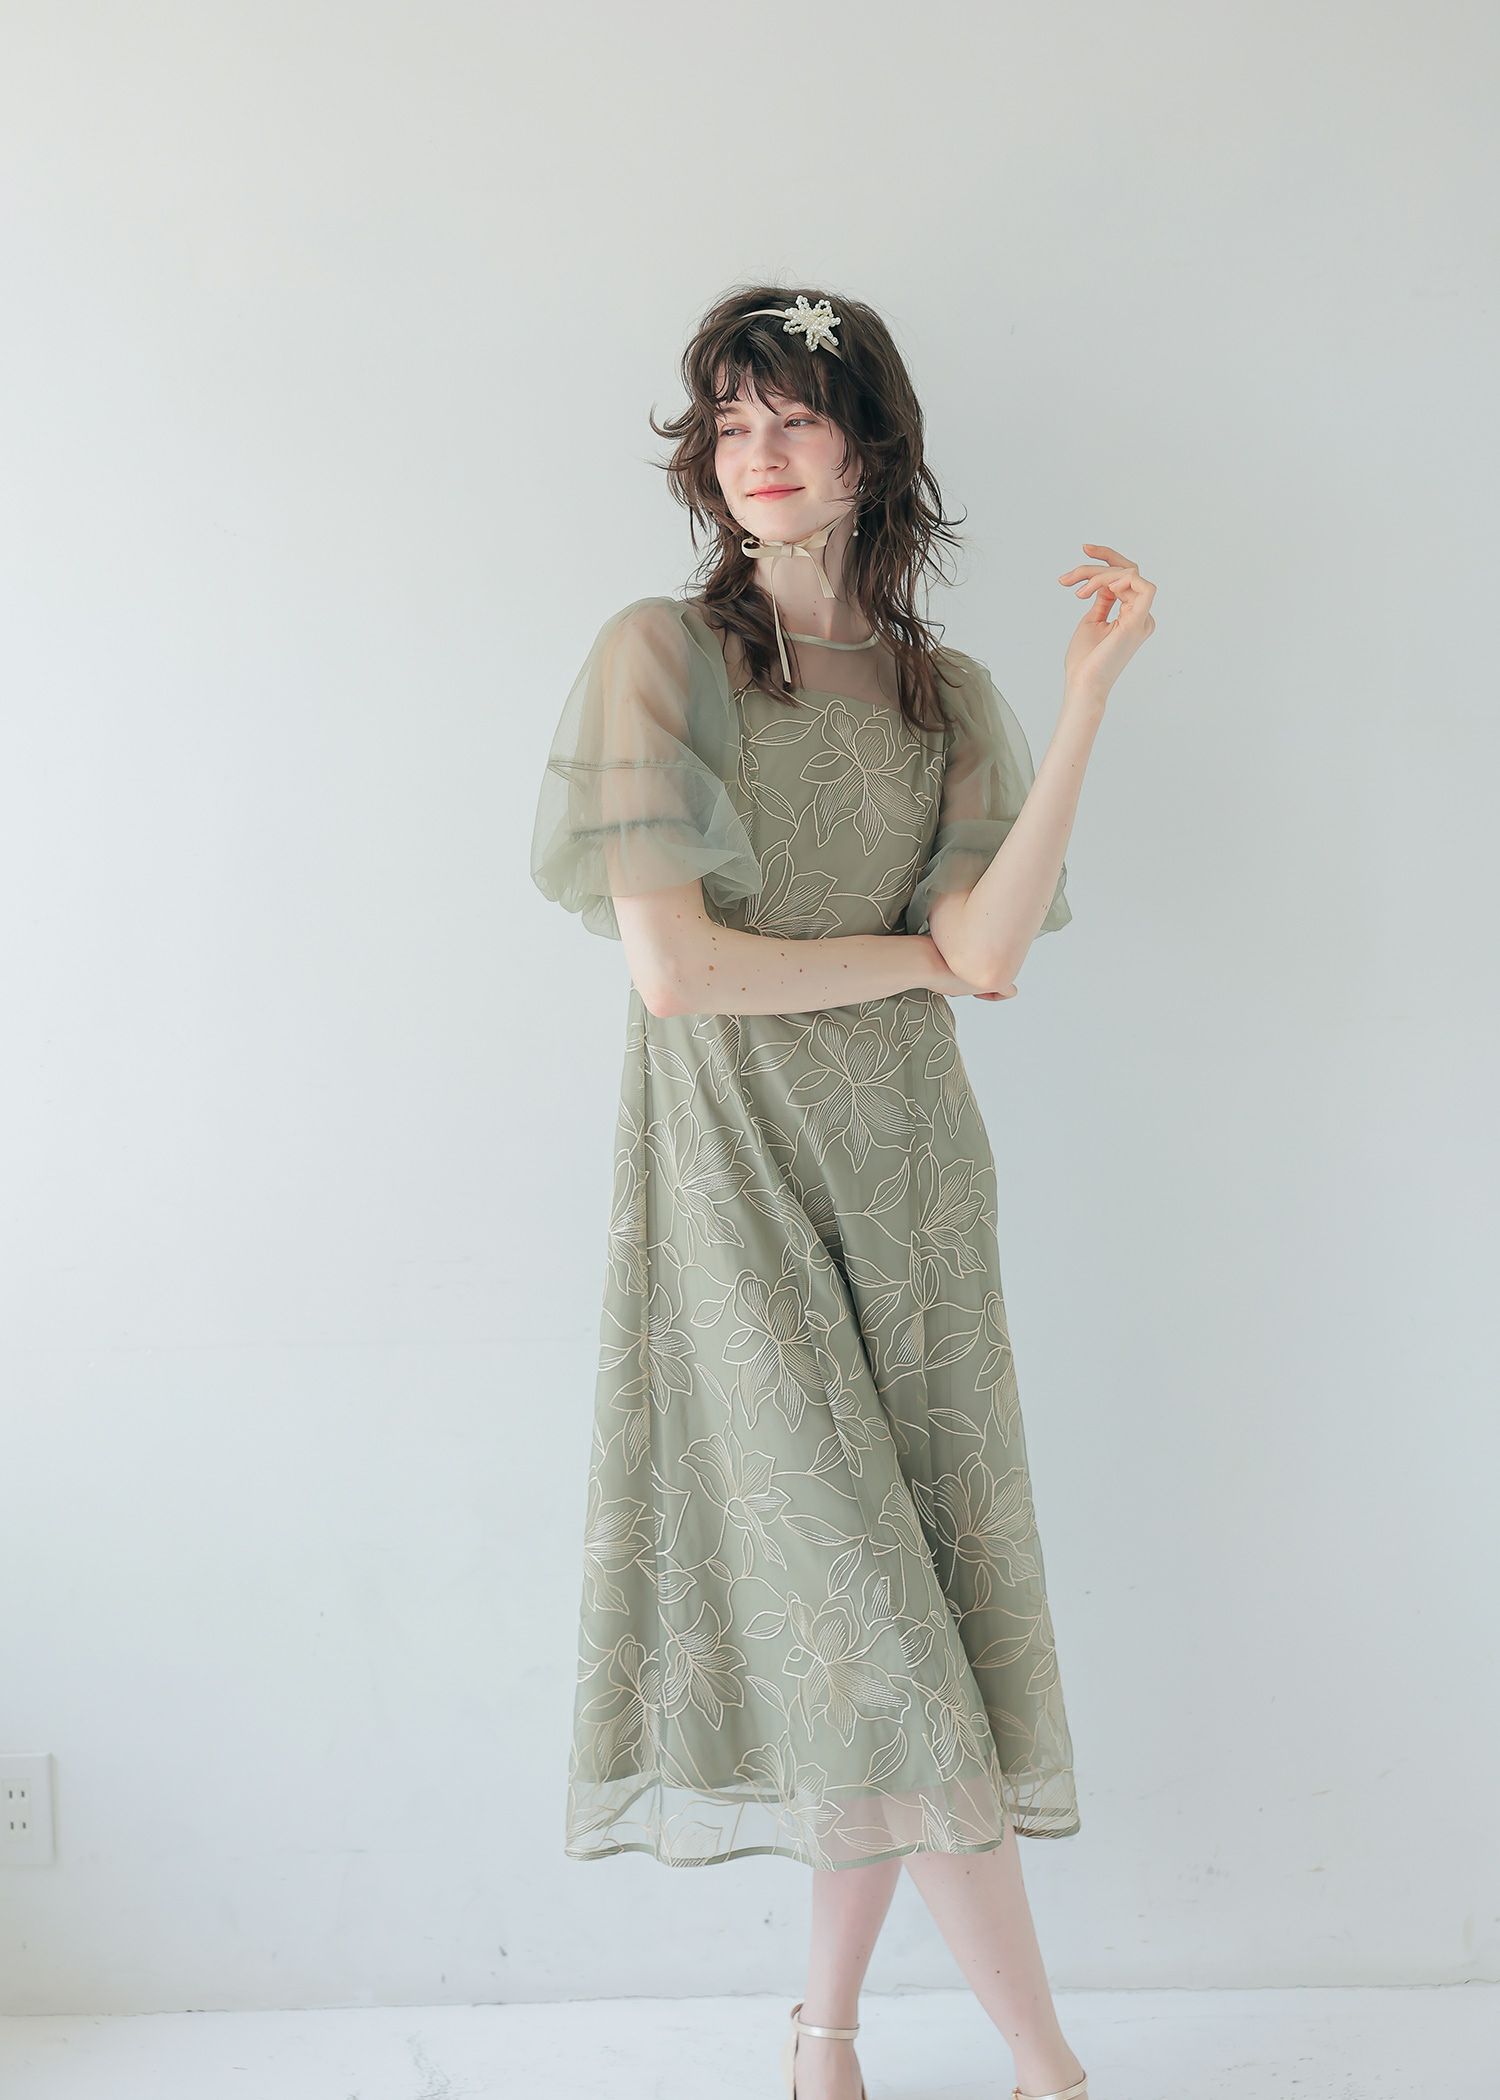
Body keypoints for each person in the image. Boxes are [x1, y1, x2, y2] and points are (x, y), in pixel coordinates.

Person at [529, 284, 1156, 2100]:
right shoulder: (660, 654)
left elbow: (993, 949)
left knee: (905, 1633)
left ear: (871, 451)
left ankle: (823, 2039)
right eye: (732, 424)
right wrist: (911, 964)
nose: (760, 455)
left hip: (912, 1186)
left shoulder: (950, 697)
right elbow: (679, 973)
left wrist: (1085, 704)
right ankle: (1050, 2070)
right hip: (735, 1186)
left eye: (795, 418)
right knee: (876, 1633)